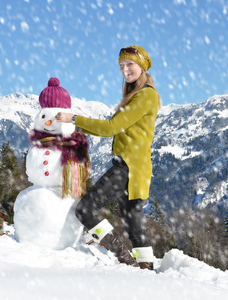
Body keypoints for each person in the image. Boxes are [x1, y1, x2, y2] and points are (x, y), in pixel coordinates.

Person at [55, 45, 161, 270]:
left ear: (141, 66)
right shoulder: (137, 95)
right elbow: (113, 129)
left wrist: (75, 119)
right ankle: (146, 269)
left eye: (130, 64)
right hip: (137, 169)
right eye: (121, 66)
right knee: (134, 225)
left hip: (128, 168)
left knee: (85, 209)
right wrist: (80, 128)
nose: (125, 70)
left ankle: (124, 258)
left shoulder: (145, 96)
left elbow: (112, 127)